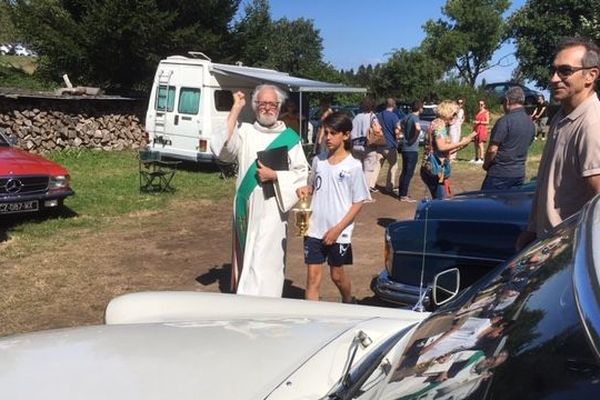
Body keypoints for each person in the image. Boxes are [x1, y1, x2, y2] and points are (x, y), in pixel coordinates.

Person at [211, 84, 309, 297]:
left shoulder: (290, 138)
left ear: (279, 106)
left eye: (272, 104)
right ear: (255, 107)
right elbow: (223, 150)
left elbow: (302, 174)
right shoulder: (245, 132)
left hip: (274, 209)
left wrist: (275, 176)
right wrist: (236, 108)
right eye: (262, 103)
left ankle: (267, 305)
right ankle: (244, 302)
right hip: (247, 207)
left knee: (268, 259)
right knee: (247, 256)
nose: (267, 108)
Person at [517, 37, 600, 251]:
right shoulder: (562, 115)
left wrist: (565, 250)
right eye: (553, 70)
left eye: (565, 71)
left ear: (591, 75)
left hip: (565, 255)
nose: (554, 78)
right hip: (546, 245)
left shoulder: (592, 125)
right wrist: (533, 229)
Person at [296, 111, 370, 303]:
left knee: (336, 275)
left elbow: (358, 202)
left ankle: (348, 299)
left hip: (339, 231)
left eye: (333, 133)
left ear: (345, 135)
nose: (327, 137)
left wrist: (338, 229)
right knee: (312, 278)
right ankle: (311, 320)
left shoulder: (353, 166)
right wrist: (306, 188)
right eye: (326, 132)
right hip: (314, 229)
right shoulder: (318, 160)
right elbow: (313, 185)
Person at [481, 86, 536, 191]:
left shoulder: (505, 121)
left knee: (488, 205)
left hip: (499, 173)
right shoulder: (531, 123)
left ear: (507, 101)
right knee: (512, 205)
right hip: (519, 173)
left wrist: (486, 164)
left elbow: (493, 149)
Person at [420, 100, 477, 199]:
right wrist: (461, 143)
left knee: (439, 199)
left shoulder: (436, 123)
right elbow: (442, 147)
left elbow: (440, 150)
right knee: (441, 201)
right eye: (454, 114)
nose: (455, 117)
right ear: (448, 112)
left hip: (430, 167)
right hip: (435, 169)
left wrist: (461, 146)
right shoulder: (440, 125)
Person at [364, 98, 401, 193]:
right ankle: (389, 186)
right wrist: (398, 139)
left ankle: (371, 185)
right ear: (394, 105)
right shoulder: (394, 116)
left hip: (380, 145)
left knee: (377, 165)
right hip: (390, 146)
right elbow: (397, 130)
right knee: (393, 166)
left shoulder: (379, 115)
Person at [398, 100, 423, 202]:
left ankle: (401, 192)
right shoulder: (415, 117)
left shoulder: (407, 116)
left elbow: (399, 125)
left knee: (404, 171)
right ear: (419, 108)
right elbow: (418, 128)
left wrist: (405, 134)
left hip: (405, 147)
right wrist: (413, 139)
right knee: (409, 172)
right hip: (411, 148)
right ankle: (404, 195)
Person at [350, 96, 376, 165]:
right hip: (366, 146)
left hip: (355, 146)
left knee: (357, 171)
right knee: (367, 172)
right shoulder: (372, 116)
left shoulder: (357, 117)